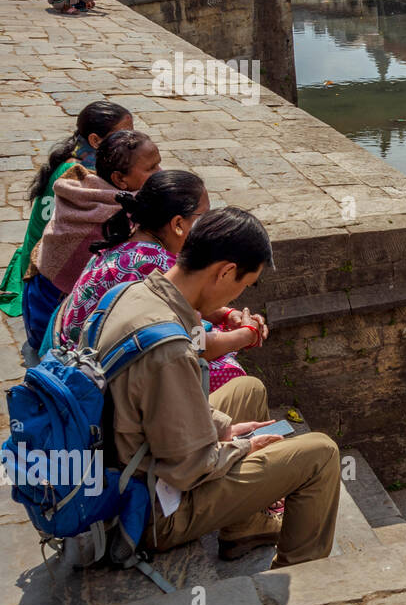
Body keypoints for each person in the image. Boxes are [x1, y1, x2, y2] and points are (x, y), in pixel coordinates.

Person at [96, 207, 340, 565]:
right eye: (242, 284)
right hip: (149, 509)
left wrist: (223, 427)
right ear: (225, 271)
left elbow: (157, 404)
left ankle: (246, 526)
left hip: (126, 453)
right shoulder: (170, 351)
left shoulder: (131, 293)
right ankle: (303, 574)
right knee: (321, 453)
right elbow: (190, 468)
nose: (236, 296)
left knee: (249, 389)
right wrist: (242, 446)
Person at [53, 170, 260, 391]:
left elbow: (180, 304)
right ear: (178, 223)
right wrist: (247, 335)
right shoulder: (157, 266)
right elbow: (197, 345)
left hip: (76, 354)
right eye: (204, 218)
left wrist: (225, 314)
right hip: (100, 378)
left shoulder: (129, 241)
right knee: (230, 374)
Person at [24, 129, 160, 348]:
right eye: (151, 168)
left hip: (37, 298)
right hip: (54, 320)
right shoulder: (119, 218)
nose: (160, 172)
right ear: (119, 179)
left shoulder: (83, 187)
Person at [1, 100, 131, 326]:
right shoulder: (79, 175)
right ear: (95, 140)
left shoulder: (78, 158)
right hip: (43, 272)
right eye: (123, 133)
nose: (130, 139)